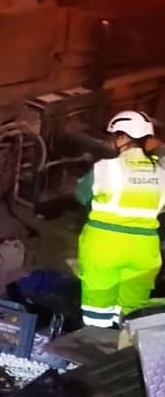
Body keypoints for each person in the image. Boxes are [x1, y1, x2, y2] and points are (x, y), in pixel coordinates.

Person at [75, 110, 165, 327]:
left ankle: (97, 350)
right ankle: (126, 354)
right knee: (133, 316)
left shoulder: (107, 169)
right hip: (144, 251)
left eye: (115, 136)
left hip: (105, 247)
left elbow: (81, 195)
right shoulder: (161, 172)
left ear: (123, 138)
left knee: (97, 312)